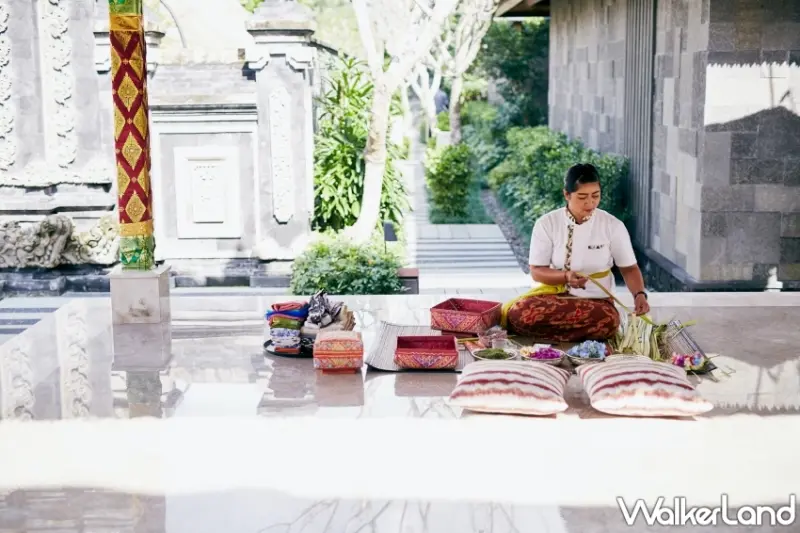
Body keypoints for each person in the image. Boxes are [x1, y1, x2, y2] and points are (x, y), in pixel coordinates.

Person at [501, 163, 650, 342]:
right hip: (553, 296)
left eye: (596, 196)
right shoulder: (547, 223)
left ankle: (552, 339)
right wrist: (566, 277)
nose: (590, 203)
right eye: (582, 197)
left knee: (609, 321)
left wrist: (640, 295)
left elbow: (629, 268)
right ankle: (578, 339)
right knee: (518, 315)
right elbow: (537, 271)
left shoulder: (613, 226)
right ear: (566, 194)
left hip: (596, 302)